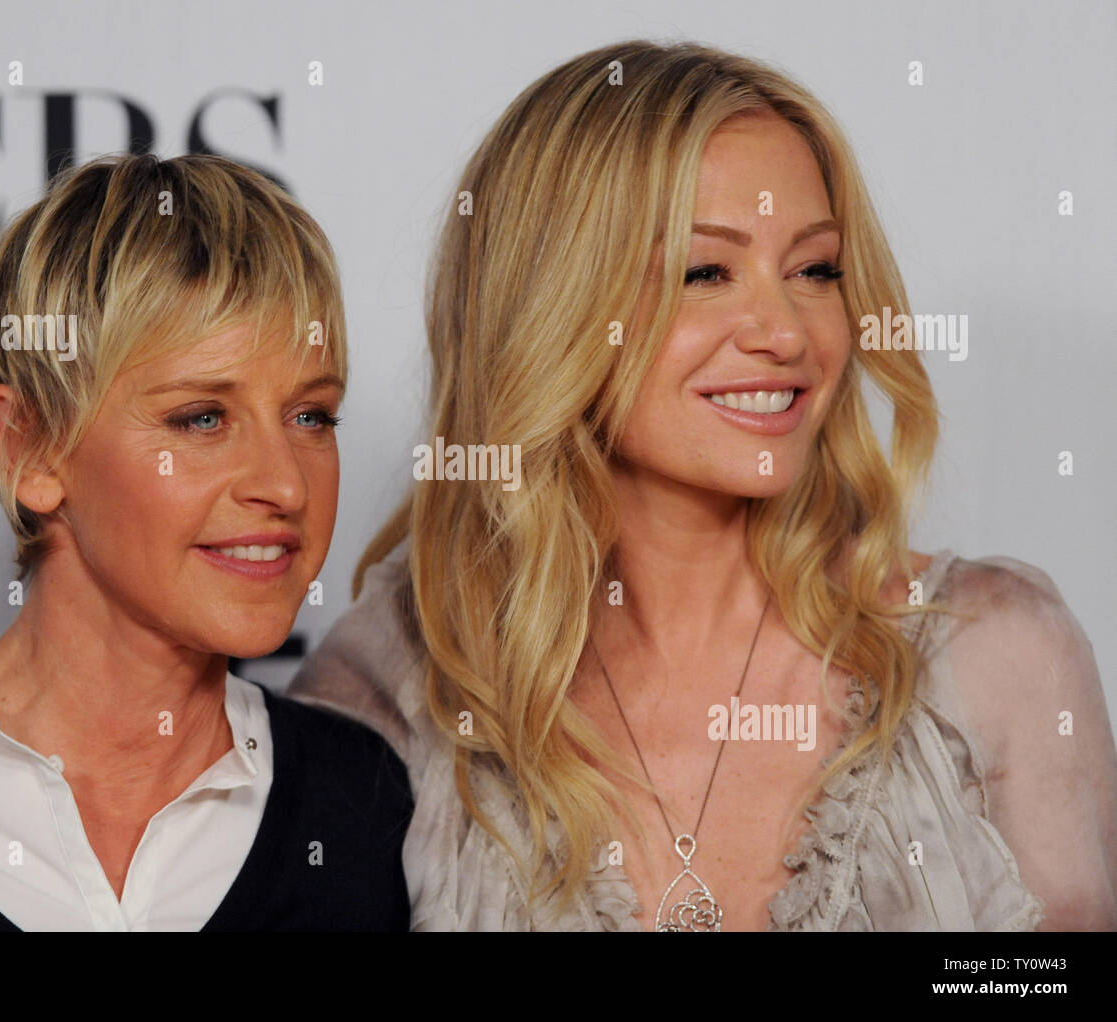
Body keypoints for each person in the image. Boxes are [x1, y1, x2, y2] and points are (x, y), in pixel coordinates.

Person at [288, 40, 1117, 931]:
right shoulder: (406, 679)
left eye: (815, 269)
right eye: (706, 273)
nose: (786, 332)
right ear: (553, 307)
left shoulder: (991, 651)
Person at [0, 153, 412, 931]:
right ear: (28, 449)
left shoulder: (363, 804)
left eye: (312, 417)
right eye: (202, 418)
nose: (287, 485)